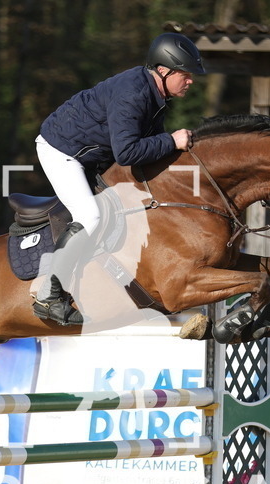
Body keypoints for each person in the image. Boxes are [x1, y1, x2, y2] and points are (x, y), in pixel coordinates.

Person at [31, 32, 205, 325]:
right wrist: (172, 141)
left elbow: (146, 149)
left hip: (91, 155)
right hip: (62, 151)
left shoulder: (154, 94)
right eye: (185, 75)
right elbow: (127, 153)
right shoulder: (133, 94)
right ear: (164, 71)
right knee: (90, 216)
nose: (191, 81)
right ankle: (48, 296)